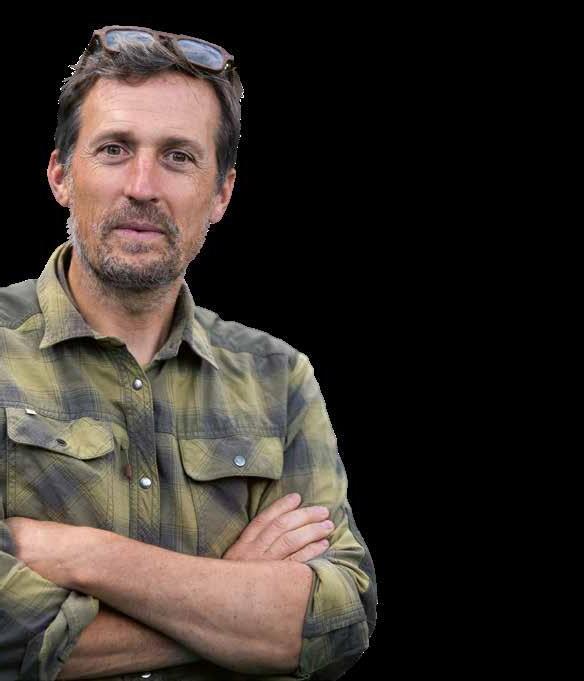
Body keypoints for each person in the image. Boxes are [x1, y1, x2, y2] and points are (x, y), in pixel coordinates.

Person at [0, 25, 377, 680]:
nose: (143, 186)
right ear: (61, 174)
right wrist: (235, 600)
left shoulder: (278, 377)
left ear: (222, 193)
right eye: (114, 149)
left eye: (178, 157)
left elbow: (341, 617)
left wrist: (89, 557)